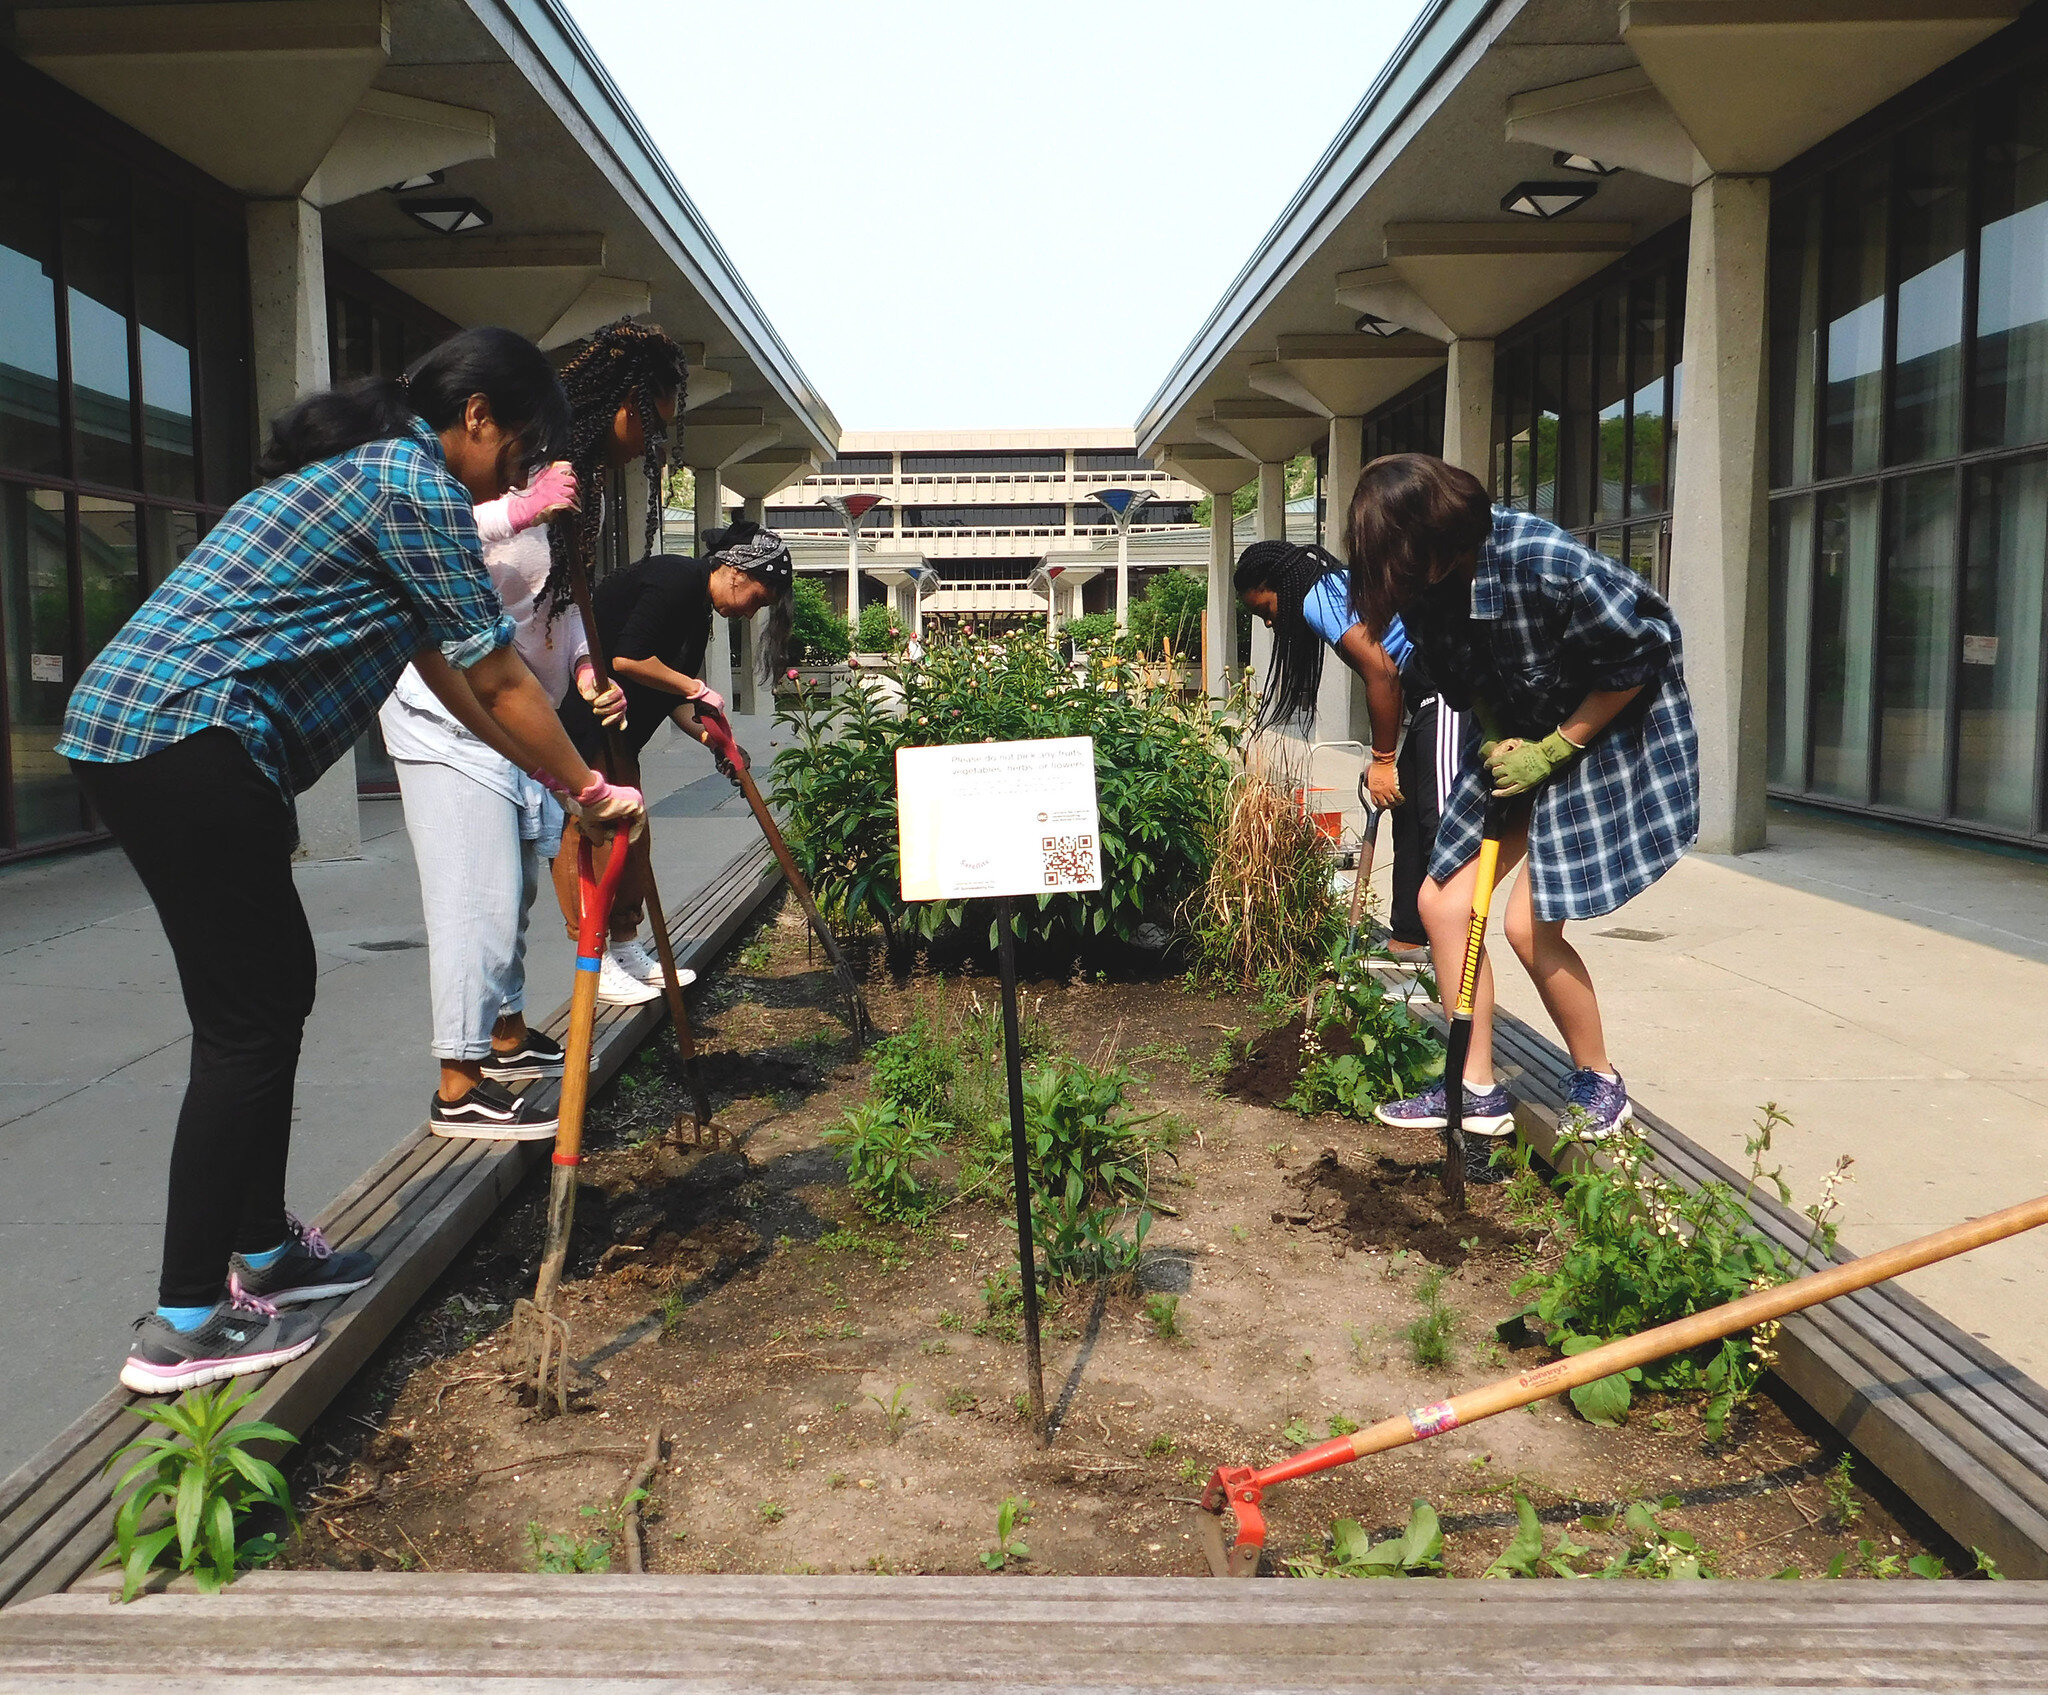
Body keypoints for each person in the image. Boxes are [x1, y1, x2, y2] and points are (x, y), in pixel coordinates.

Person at [57, 327, 647, 1393]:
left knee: (269, 997)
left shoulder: (380, 484)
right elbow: (504, 681)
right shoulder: (407, 482)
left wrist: (572, 786)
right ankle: (185, 1318)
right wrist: (593, 790)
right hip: (186, 738)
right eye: (517, 449)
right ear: (476, 419)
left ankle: (267, 1250)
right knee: (248, 1018)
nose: (517, 471)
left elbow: (465, 678)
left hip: (165, 738)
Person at [1345, 453, 1698, 1181]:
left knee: (1525, 924)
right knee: (1440, 904)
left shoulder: (1542, 559)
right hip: (1519, 735)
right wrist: (1504, 734)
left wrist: (1556, 747)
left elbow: (1645, 647)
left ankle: (1600, 1079)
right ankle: (1474, 1090)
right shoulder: (1424, 588)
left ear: (1433, 535)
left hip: (1600, 735)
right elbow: (1466, 678)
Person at [378, 461, 631, 1139]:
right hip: (453, 715)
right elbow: (434, 537)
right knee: (477, 894)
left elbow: (562, 612)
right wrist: (522, 510)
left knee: (514, 887)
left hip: (515, 721)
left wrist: (585, 672)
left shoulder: (569, 508)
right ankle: (457, 1084)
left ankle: (506, 1034)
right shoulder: (482, 491)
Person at [536, 319, 696, 1001]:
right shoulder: (541, 470)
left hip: (565, 680)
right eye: (652, 429)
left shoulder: (588, 485)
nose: (652, 449)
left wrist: (582, 667)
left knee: (625, 811)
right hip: (505, 694)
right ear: (622, 401)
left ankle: (624, 947)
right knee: (582, 819)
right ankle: (594, 957)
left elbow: (567, 602)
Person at [553, 521, 794, 948]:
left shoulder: (698, 613)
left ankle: (626, 946)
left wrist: (715, 741)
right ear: (737, 571)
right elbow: (629, 659)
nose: (750, 613)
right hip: (586, 729)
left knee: (633, 839)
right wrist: (696, 688)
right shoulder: (676, 578)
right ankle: (593, 954)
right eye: (757, 599)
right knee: (593, 836)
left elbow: (671, 698)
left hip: (623, 738)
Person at [1233, 539, 1454, 957]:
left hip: (1446, 690)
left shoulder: (1319, 597)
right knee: (1408, 811)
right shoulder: (1335, 589)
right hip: (1426, 692)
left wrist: (1383, 760)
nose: (1267, 622)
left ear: (1276, 583)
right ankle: (1409, 936)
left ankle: (1451, 938)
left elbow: (1383, 672)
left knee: (1435, 820)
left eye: (1264, 609)